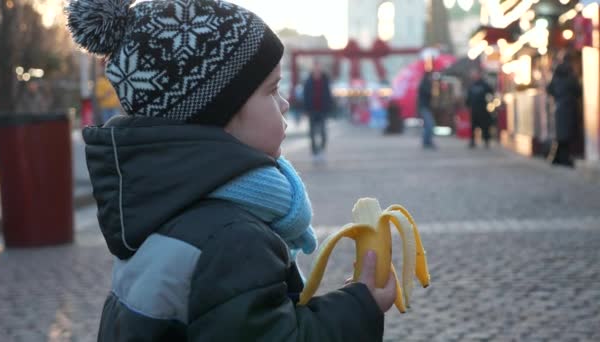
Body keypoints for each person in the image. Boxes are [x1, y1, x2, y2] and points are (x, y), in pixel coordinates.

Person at [66, 0, 395, 341]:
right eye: (271, 90)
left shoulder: (169, 210)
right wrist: (359, 306)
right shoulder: (232, 239)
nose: (284, 103)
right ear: (217, 114)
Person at [546, 60, 582, 167]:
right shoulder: (571, 78)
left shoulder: (556, 78)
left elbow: (549, 89)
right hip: (570, 108)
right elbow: (579, 91)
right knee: (567, 135)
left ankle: (561, 158)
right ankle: (564, 158)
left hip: (559, 108)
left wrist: (557, 97)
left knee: (561, 135)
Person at [303, 61, 334, 160]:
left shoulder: (325, 80)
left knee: (323, 131)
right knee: (312, 132)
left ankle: (322, 150)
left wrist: (329, 107)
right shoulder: (308, 81)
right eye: (315, 67)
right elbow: (305, 96)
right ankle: (314, 151)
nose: (317, 69)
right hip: (312, 110)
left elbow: (329, 95)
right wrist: (306, 109)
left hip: (322, 110)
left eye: (318, 67)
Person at [465, 69, 494, 149]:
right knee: (473, 126)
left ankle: (486, 141)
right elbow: (468, 97)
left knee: (485, 126)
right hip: (474, 109)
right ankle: (472, 141)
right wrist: (468, 104)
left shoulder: (484, 85)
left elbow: (491, 92)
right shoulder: (472, 85)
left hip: (483, 108)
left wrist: (490, 102)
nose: (474, 76)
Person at [417, 70, 436, 149]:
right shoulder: (425, 84)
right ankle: (427, 142)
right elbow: (429, 93)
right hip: (424, 107)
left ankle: (427, 142)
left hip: (425, 107)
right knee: (429, 125)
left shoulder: (424, 83)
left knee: (428, 125)